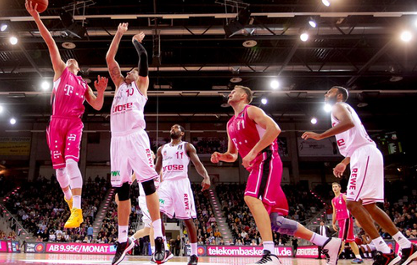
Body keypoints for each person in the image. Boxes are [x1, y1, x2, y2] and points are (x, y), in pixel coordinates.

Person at [211, 86, 342, 265]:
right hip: (257, 167)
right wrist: (222, 156)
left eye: (235, 90)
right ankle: (327, 242)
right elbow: (233, 155)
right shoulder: (230, 124)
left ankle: (270, 253)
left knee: (251, 198)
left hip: (267, 159)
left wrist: (252, 152)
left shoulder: (252, 111)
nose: (230, 92)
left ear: (244, 96)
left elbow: (275, 129)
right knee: (276, 222)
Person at [302, 86, 417, 265]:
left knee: (351, 203)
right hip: (363, 153)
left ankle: (385, 251)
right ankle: (406, 246)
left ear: (339, 95)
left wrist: (320, 136)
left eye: (330, 91)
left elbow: (349, 123)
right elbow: (355, 139)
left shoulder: (338, 106)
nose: (326, 93)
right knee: (370, 206)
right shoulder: (339, 110)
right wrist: (344, 162)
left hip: (364, 154)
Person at [25, 1, 108, 229]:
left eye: (75, 61)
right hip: (55, 123)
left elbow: (98, 106)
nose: (71, 59)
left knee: (71, 163)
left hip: (73, 123)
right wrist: (36, 18)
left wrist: (100, 91)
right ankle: (70, 201)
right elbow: (50, 42)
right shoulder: (60, 71)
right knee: (60, 170)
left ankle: (78, 210)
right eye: (69, 58)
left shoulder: (83, 84)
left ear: (79, 68)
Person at [106, 22, 165, 265]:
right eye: (127, 71)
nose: (129, 72)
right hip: (117, 141)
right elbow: (110, 59)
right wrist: (119, 34)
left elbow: (143, 58)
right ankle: (122, 242)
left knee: (148, 184)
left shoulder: (141, 86)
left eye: (132, 71)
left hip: (136, 136)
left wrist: (134, 42)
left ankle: (159, 239)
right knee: (121, 190)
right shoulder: (119, 85)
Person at [155, 124, 211, 265]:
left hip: (181, 183)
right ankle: (164, 248)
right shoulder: (162, 149)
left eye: (177, 127)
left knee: (187, 219)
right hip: (166, 184)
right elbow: (156, 169)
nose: (173, 128)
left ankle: (193, 254)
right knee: (157, 214)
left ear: (182, 133)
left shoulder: (187, 146)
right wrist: (148, 180)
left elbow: (197, 164)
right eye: (172, 127)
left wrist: (206, 176)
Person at [331, 182, 364, 263]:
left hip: (346, 219)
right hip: (340, 220)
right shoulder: (333, 200)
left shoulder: (344, 196)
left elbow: (352, 207)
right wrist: (333, 223)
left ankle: (334, 258)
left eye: (336, 187)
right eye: (333, 187)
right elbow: (334, 212)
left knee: (341, 239)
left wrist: (356, 218)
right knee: (351, 240)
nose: (334, 188)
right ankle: (359, 258)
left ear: (340, 188)